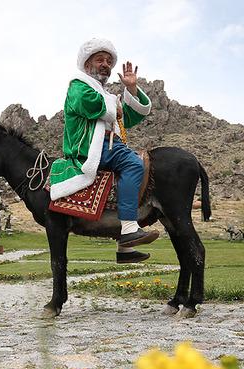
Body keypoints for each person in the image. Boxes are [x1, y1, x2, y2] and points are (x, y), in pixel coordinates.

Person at [49, 38, 156, 264]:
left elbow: (130, 115)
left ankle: (125, 249)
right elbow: (89, 103)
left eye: (109, 61)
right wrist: (114, 105)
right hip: (92, 148)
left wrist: (131, 88)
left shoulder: (105, 94)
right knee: (133, 164)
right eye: (100, 60)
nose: (106, 64)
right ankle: (128, 228)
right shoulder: (78, 85)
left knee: (124, 179)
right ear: (87, 64)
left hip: (110, 146)